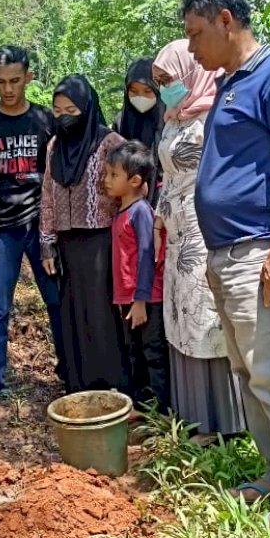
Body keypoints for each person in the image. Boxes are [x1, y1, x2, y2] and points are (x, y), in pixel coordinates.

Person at [182, 0, 270, 526]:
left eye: (196, 33)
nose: (191, 47)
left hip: (263, 249)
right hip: (230, 252)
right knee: (248, 373)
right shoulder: (230, 83)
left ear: (225, 19)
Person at [151, 38, 246, 444]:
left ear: (190, 73)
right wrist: (159, 217)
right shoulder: (174, 117)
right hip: (176, 230)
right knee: (181, 316)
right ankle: (195, 416)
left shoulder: (214, 115)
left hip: (205, 225)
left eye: (168, 79)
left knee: (207, 315)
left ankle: (225, 420)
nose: (164, 89)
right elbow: (168, 175)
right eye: (159, 82)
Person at [0, 45, 62, 410]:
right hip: (2, 227)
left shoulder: (45, 120)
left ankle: (70, 373)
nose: (8, 89)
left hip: (41, 225)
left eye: (15, 81)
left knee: (57, 300)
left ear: (28, 77)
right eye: (1, 82)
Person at [39, 74, 130, 394]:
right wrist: (47, 243)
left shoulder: (110, 142)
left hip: (103, 240)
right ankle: (81, 382)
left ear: (87, 109)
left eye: (71, 111)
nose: (64, 117)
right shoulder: (55, 146)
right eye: (57, 110)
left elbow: (131, 186)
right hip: (68, 243)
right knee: (74, 312)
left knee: (103, 313)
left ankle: (114, 383)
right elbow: (47, 194)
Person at [104, 140, 170, 413]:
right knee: (135, 354)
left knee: (154, 353)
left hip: (146, 299)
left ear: (134, 181)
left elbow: (146, 255)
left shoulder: (140, 211)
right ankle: (143, 407)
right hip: (128, 299)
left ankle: (164, 411)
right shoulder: (121, 211)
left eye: (113, 175)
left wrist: (141, 299)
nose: (107, 180)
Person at [113, 59, 165, 205]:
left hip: (163, 201)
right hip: (126, 202)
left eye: (147, 91)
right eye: (134, 91)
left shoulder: (169, 120)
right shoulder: (120, 122)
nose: (141, 97)